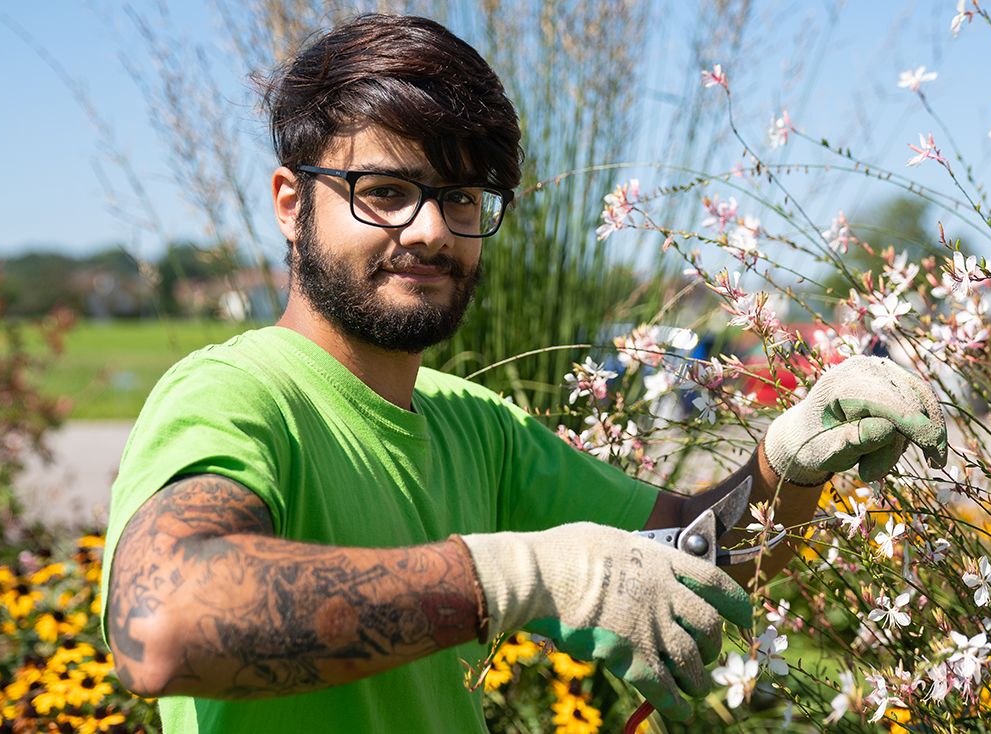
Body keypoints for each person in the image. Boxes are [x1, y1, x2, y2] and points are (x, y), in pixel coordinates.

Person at [100, 13, 948, 733]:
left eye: (462, 198)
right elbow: (160, 626)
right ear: (292, 201)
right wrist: (508, 574)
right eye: (386, 190)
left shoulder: (474, 428)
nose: (431, 227)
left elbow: (703, 560)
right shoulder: (237, 395)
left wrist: (785, 463)